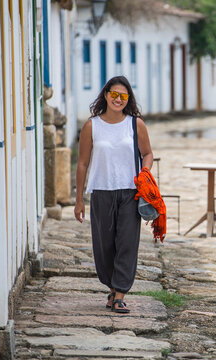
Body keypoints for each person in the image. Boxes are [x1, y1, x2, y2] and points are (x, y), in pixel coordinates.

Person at [74, 76, 153, 314]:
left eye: (124, 96)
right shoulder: (92, 126)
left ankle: (120, 294)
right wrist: (79, 199)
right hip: (102, 191)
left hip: (130, 193)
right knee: (104, 245)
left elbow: (147, 153)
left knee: (127, 243)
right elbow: (82, 164)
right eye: (114, 94)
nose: (118, 100)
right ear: (106, 94)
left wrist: (144, 174)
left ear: (128, 99)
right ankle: (111, 287)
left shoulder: (135, 124)